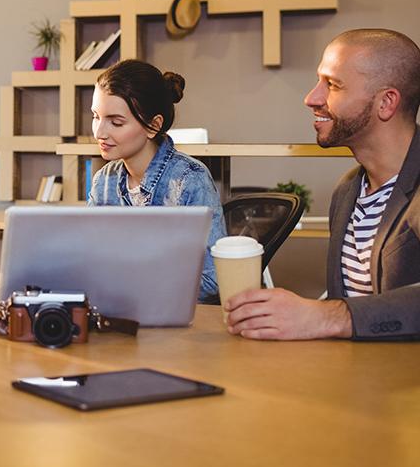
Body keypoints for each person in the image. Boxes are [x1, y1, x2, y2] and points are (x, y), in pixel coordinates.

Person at [226, 29, 420, 341]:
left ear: (386, 102)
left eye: (332, 85)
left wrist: (326, 316)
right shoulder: (346, 191)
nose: (311, 98)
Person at [88, 59, 225, 301]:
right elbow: (89, 260)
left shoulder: (190, 180)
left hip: (174, 325)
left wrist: (131, 280)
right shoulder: (104, 181)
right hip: (117, 312)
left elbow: (212, 281)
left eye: (116, 122)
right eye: (96, 116)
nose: (99, 132)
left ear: (153, 126)